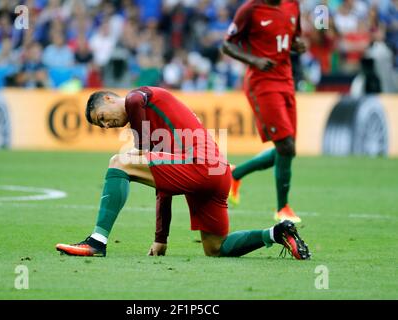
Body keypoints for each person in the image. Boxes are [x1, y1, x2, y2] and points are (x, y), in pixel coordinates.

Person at [55, 86, 310, 260]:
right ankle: (277, 233)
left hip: (198, 165)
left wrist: (139, 146)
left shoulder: (136, 98)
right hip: (217, 172)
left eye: (102, 117)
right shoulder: (155, 132)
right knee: (216, 248)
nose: (106, 124)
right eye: (101, 124)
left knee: (118, 161)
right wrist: (161, 239)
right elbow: (163, 188)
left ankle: (97, 242)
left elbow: (134, 102)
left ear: (109, 99)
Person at [221, 0, 306, 223]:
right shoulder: (250, 9)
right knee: (285, 146)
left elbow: (291, 37)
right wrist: (254, 60)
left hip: (286, 80)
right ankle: (282, 209)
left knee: (288, 149)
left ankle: (234, 174)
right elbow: (227, 45)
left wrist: (297, 45)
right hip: (262, 83)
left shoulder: (292, 5)